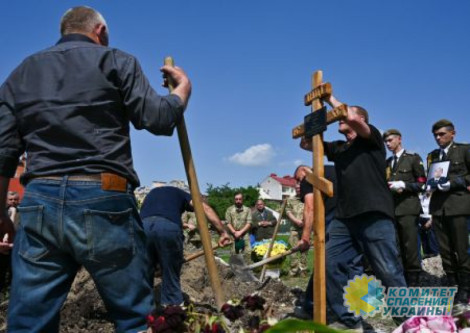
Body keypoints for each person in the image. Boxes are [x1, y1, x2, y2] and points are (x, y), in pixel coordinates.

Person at [0, 6, 192, 332]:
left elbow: (4, 150)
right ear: (100, 31)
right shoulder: (116, 60)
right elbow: (158, 119)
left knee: (28, 323)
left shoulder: (22, 72)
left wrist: (1, 212)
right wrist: (181, 91)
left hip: (39, 202)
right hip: (104, 198)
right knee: (136, 319)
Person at [301, 94, 406, 330]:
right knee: (329, 264)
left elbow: (348, 115)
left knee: (388, 271)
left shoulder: (372, 139)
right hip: (344, 218)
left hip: (374, 213)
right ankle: (349, 320)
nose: (339, 119)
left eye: (345, 116)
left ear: (360, 119)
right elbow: (306, 144)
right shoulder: (339, 148)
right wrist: (314, 122)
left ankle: (409, 323)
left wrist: (329, 98)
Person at [140, 186, 230, 306]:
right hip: (166, 229)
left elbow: (157, 219)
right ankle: (172, 312)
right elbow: (205, 208)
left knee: (144, 272)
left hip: (142, 227)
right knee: (170, 273)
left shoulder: (153, 194)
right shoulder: (182, 194)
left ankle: (142, 312)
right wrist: (223, 232)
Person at [426, 119, 470, 311]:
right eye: (435, 135)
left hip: (458, 206)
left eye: (442, 134)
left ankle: (465, 288)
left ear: (453, 133)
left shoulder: (464, 150)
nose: (438, 138)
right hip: (439, 208)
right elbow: (430, 177)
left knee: (461, 249)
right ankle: (452, 283)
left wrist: (454, 183)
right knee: (444, 250)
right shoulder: (433, 156)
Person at [383, 129, 426, 286]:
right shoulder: (388, 163)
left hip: (408, 208)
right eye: (386, 142)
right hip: (392, 209)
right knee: (396, 247)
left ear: (399, 139)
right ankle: (401, 283)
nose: (388, 144)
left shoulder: (413, 159)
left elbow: (422, 183)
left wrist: (405, 185)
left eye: (390, 140)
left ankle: (413, 283)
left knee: (411, 247)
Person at [285, 186, 308, 277]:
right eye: (297, 188)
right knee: (293, 249)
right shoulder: (290, 200)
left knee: (304, 250)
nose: (298, 189)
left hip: (306, 229)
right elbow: (288, 212)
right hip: (294, 229)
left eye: (300, 188)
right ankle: (294, 270)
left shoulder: (308, 198)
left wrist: (306, 222)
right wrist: (296, 221)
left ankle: (303, 270)